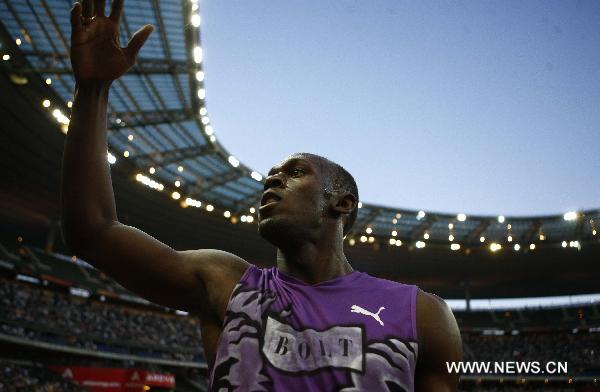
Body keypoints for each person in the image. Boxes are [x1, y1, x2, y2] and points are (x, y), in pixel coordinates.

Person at [62, 1, 462, 390]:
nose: (272, 182)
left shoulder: (422, 314)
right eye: (270, 176)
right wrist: (93, 92)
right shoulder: (225, 282)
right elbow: (92, 233)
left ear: (342, 202)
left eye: (294, 173)